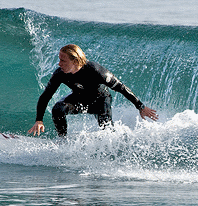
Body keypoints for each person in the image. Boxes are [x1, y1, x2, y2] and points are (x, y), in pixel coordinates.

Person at [28, 44, 158, 137]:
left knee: (107, 131)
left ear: (75, 61)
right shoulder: (60, 73)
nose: (59, 64)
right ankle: (62, 142)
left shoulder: (96, 71)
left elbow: (121, 88)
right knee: (58, 109)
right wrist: (39, 120)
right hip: (79, 99)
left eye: (63, 60)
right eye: (59, 60)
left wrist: (141, 107)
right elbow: (46, 96)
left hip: (100, 101)